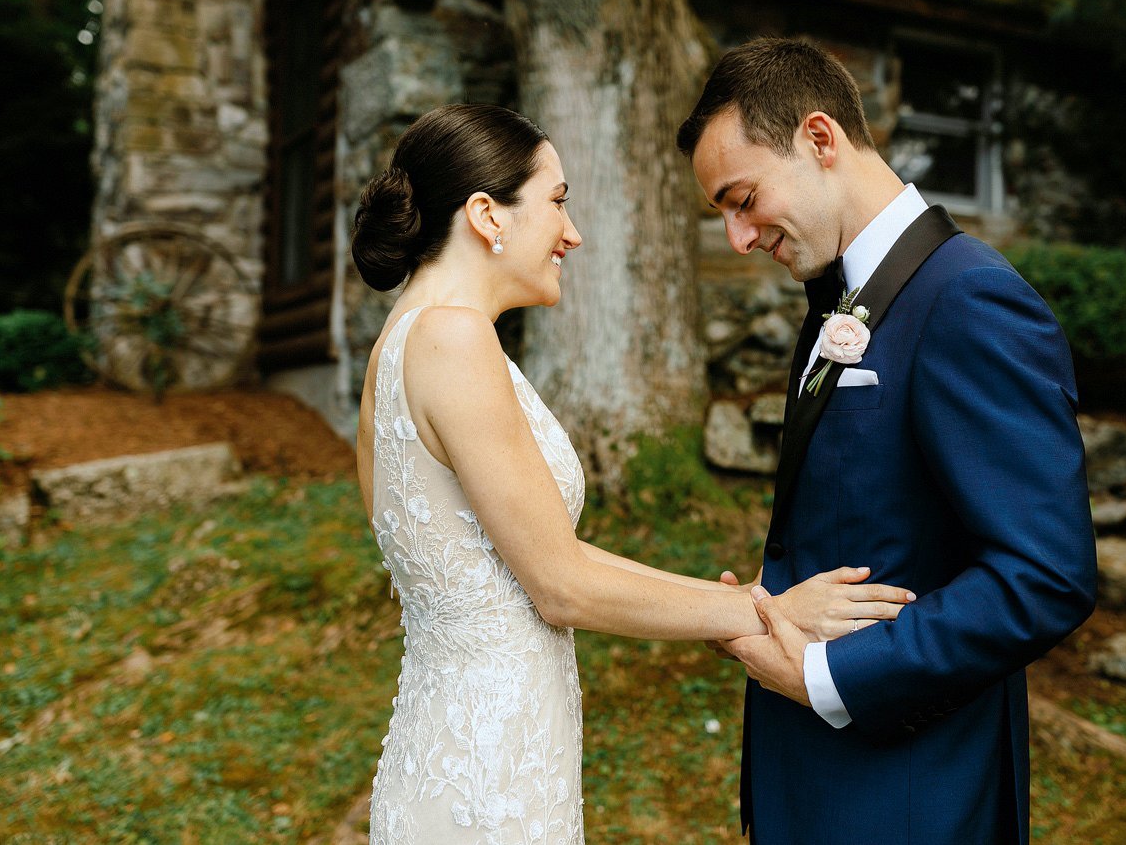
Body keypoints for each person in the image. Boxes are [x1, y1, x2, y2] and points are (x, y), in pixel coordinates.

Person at [350, 102, 917, 844]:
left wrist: (749, 600)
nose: (572, 232)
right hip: (485, 776)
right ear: (487, 215)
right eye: (557, 201)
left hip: (458, 742)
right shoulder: (452, 338)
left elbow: (536, 564)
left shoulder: (400, 344)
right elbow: (560, 584)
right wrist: (769, 614)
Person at [678, 38, 1098, 845]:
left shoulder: (970, 297)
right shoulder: (840, 295)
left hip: (909, 792)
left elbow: (1046, 574)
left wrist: (825, 675)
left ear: (820, 138)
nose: (737, 236)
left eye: (743, 198)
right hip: (817, 780)